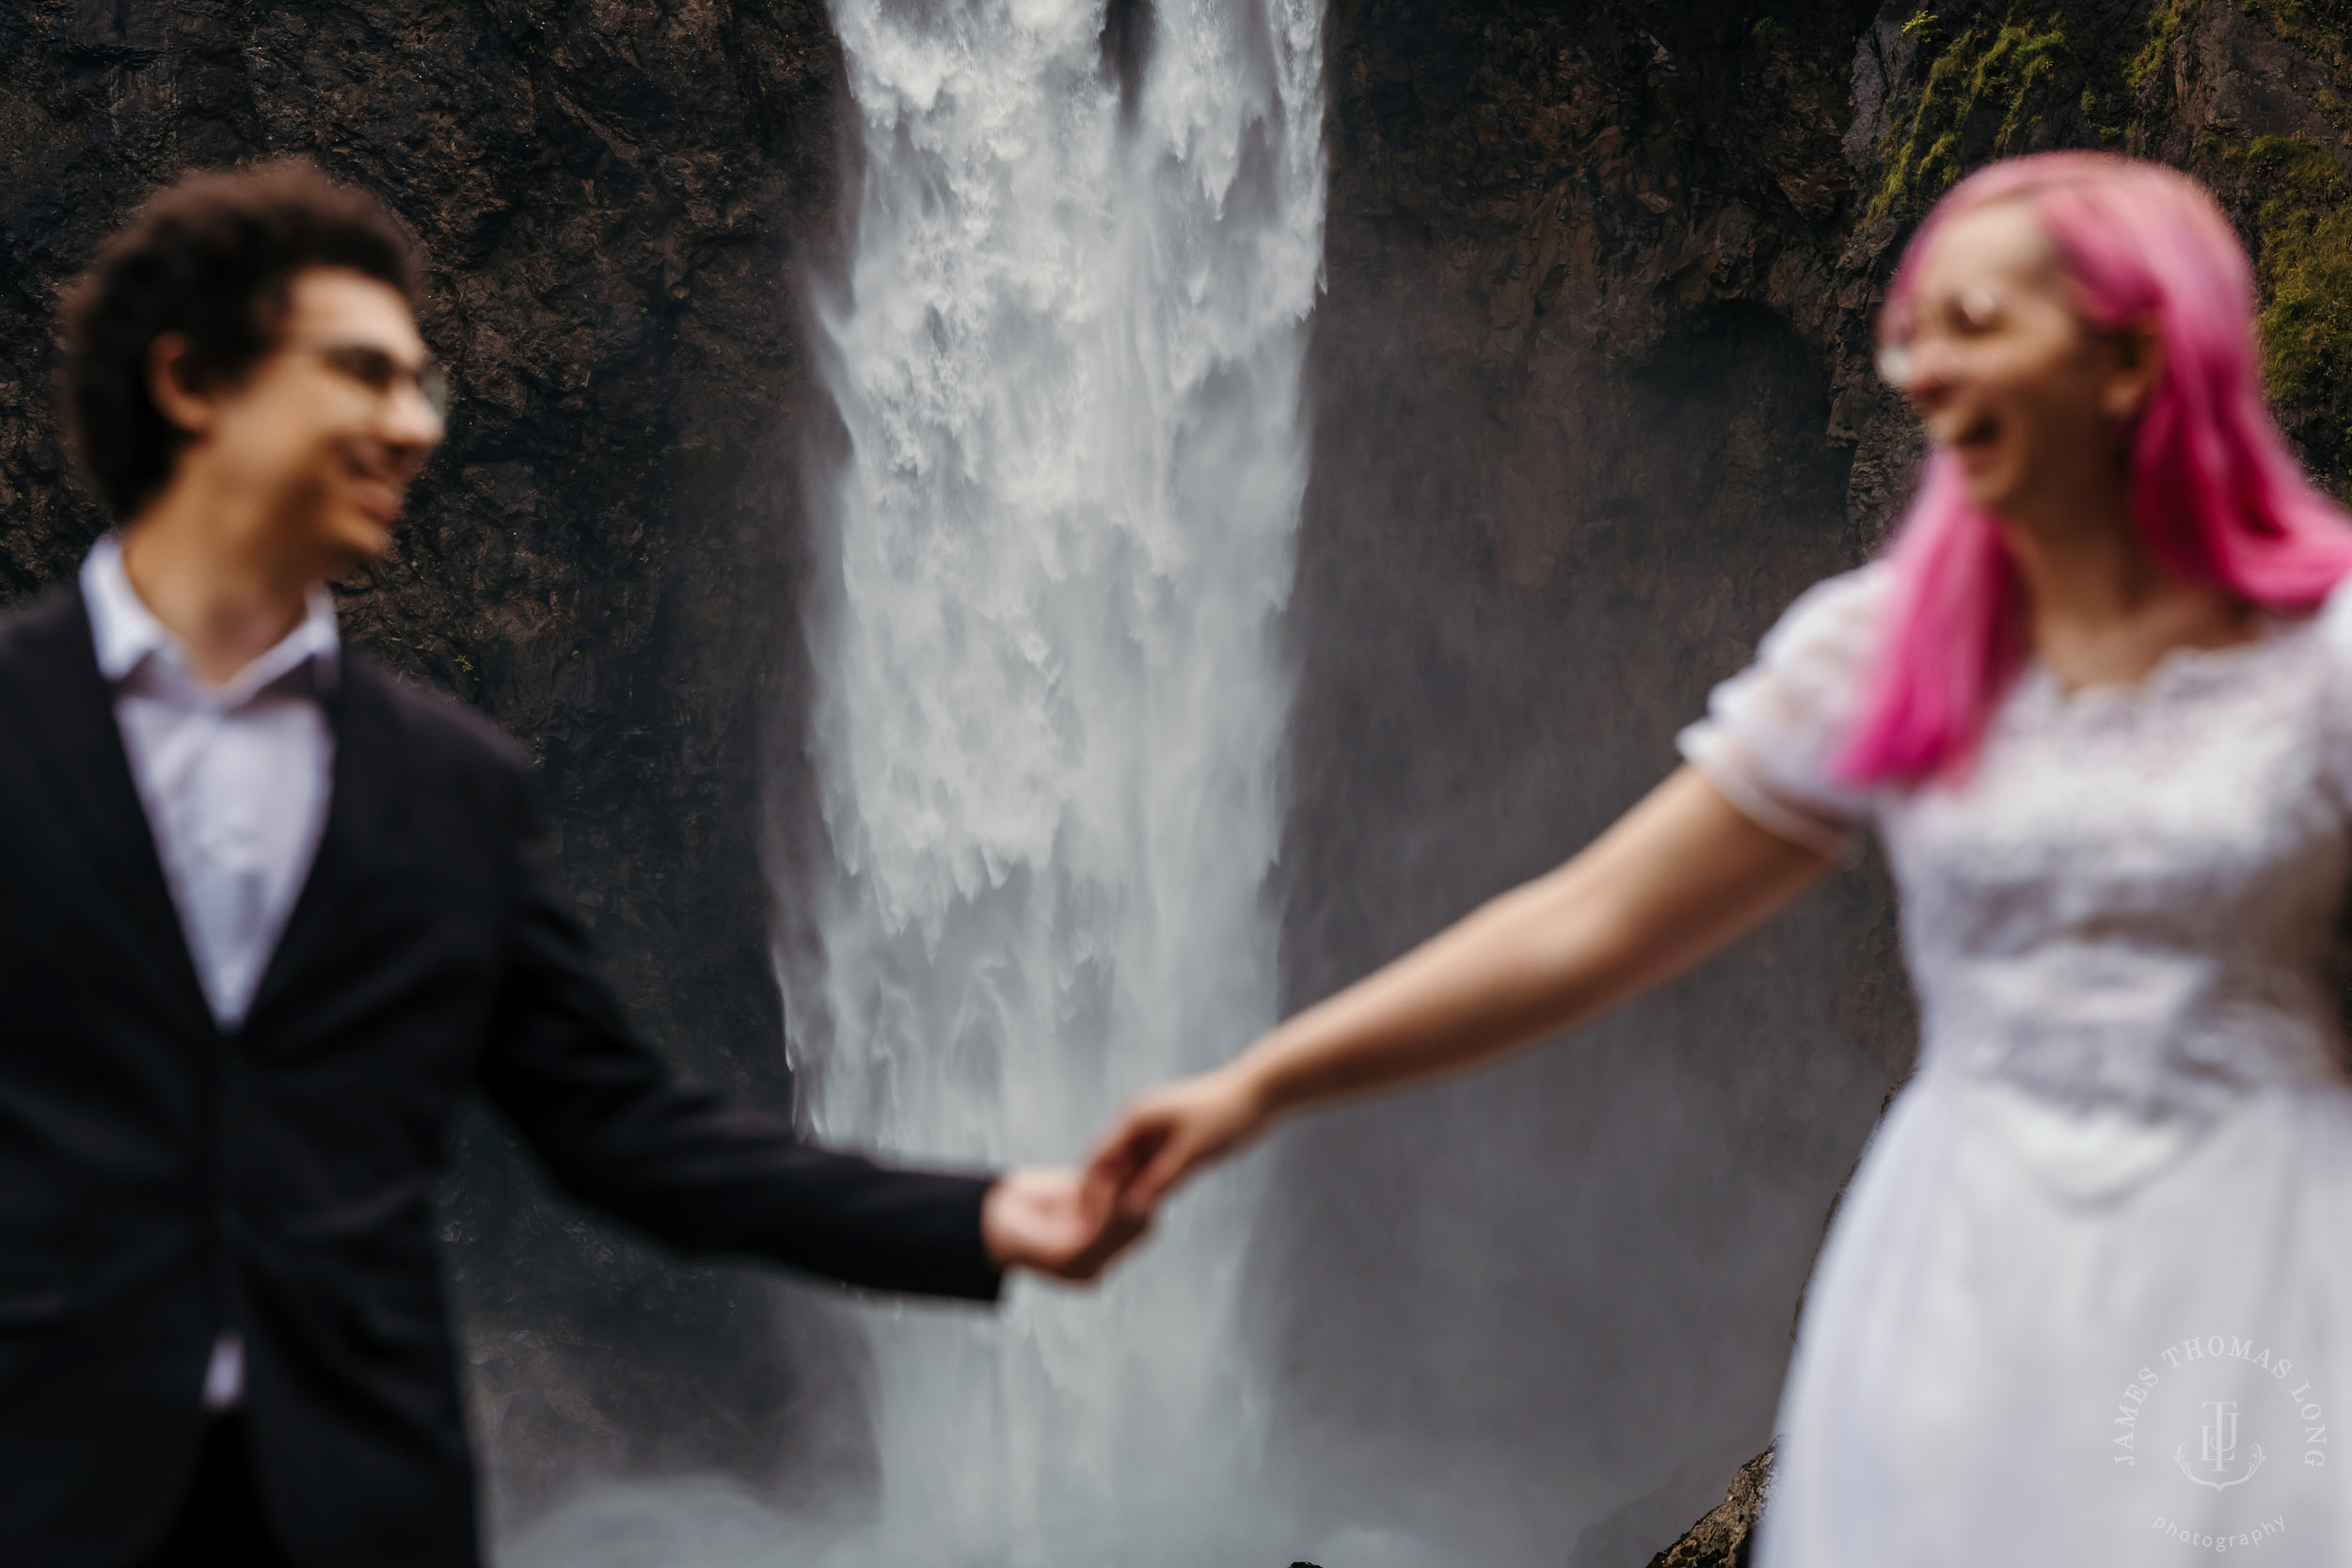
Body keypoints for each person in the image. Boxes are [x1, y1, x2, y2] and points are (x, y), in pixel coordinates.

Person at [1089, 150, 2352, 1562]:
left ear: (2132, 356)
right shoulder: (1891, 648)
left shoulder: (2328, 657)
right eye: (1911, 331)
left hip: (2263, 1244)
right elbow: (1587, 922)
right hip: (1968, 1256)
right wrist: (1255, 1086)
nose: (1923, 371)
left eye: (1976, 326)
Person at [0, 159, 1140, 1568]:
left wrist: (977, 1217)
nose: (415, 425)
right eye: (363, 373)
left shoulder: (450, 782)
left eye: (422, 383)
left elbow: (624, 1132)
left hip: (356, 1511)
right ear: (193, 385)